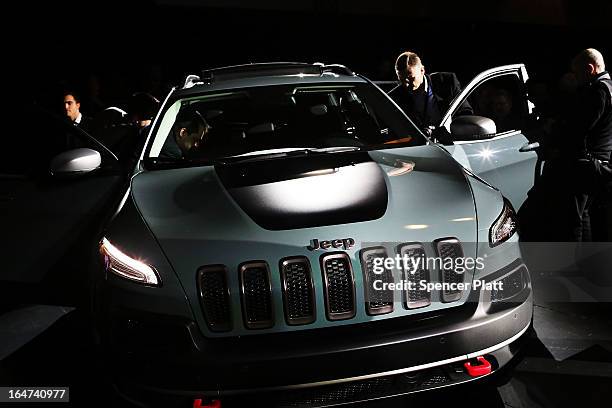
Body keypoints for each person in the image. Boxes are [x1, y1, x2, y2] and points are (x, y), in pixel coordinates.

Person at [524, 48, 612, 242]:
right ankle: (585, 262)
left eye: (577, 73)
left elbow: (580, 128)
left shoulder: (598, 91)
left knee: (575, 217)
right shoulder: (608, 86)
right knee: (584, 213)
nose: (575, 78)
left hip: (586, 161)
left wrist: (555, 129)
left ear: (589, 69)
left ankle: (576, 264)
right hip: (598, 161)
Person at [389, 51, 472, 132]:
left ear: (422, 70)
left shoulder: (447, 83)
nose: (406, 85)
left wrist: (452, 131)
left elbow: (465, 112)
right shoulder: (394, 97)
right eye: (402, 80)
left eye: (411, 78)